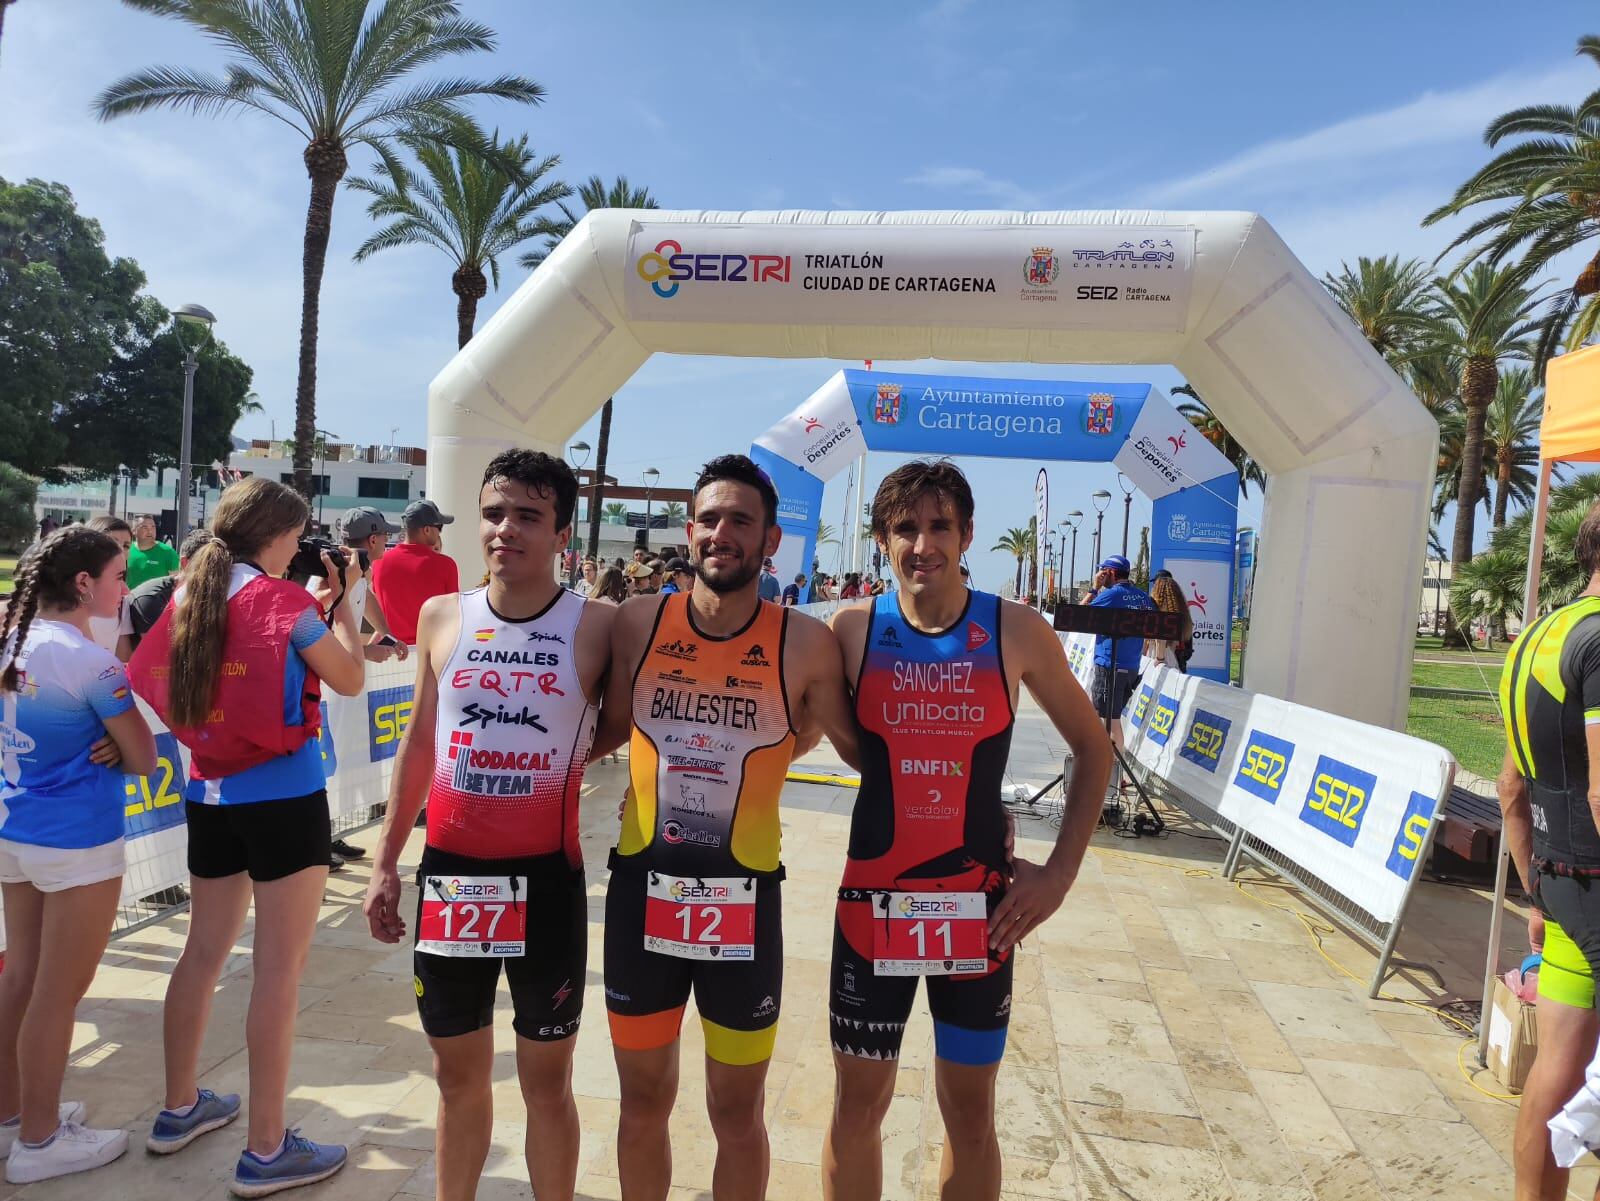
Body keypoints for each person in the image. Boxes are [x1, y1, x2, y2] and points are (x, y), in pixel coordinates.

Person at [822, 461, 1112, 1201]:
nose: (923, 544)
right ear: (883, 540)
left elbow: (1093, 748)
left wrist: (1059, 874)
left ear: (968, 534)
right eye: (905, 528)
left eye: (939, 526)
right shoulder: (852, 628)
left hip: (979, 915)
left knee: (970, 1117)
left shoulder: (1014, 628)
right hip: (872, 909)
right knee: (857, 1108)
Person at [591, 454, 860, 1201]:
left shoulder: (806, 642)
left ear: (771, 539)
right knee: (642, 1102)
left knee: (735, 1112)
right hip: (642, 892)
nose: (722, 533)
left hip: (744, 904)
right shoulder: (638, 622)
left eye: (741, 520)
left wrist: (972, 803)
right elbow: (603, 727)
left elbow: (856, 749)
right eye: (709, 518)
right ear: (689, 529)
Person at [362, 450, 609, 1201]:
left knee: (547, 1084)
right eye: (495, 513)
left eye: (528, 516)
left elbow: (625, 723)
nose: (505, 529)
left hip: (547, 881)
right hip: (453, 875)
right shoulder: (444, 616)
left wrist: (569, 754)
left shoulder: (598, 626)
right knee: (457, 1079)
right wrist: (383, 861)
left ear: (561, 531)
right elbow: (420, 746)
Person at [128, 477, 366, 1195]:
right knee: (277, 970)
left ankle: (178, 1108)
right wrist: (346, 600)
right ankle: (266, 1148)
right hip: (284, 796)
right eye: (295, 534)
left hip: (209, 791)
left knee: (202, 951)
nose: (300, 545)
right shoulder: (283, 600)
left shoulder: (188, 594)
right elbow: (351, 676)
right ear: (273, 533)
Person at [0, 527, 157, 1183]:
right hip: (76, 841)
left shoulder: (12, 639)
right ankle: (38, 1143)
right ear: (84, 582)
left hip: (15, 831)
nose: (126, 588)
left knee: (21, 978)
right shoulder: (89, 662)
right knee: (56, 994)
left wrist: (108, 743)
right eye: (119, 575)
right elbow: (144, 757)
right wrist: (115, 746)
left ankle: (15, 1115)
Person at [1498, 503, 1600, 1201]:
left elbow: (1509, 787)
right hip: (1596, 880)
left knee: (1559, 1067)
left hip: (1560, 884)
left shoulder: (1538, 631)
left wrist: (1535, 886)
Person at [1087, 555, 1155, 773]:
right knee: (1111, 717)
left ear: (1111, 573)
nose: (1100, 575)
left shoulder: (1111, 595)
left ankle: (1116, 773)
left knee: (1110, 719)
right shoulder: (1143, 598)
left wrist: (1094, 588)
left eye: (1103, 571)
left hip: (1109, 664)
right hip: (1132, 665)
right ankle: (1109, 769)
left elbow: (1079, 614)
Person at [316, 507, 406, 666]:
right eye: (386, 535)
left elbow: (366, 599)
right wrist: (365, 651)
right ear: (373, 540)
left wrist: (390, 636)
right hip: (325, 679)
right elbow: (312, 621)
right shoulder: (333, 571)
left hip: (338, 671)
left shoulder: (359, 571)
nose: (387, 540)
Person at [369, 499, 460, 647]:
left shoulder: (379, 562)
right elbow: (452, 616)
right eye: (439, 527)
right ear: (427, 530)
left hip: (392, 650)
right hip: (432, 650)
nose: (439, 532)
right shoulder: (446, 565)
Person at [126, 529, 217, 652]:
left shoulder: (212, 596)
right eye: (210, 564)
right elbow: (159, 655)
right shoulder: (151, 598)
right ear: (185, 563)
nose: (218, 572)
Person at [84, 517, 134, 656]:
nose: (120, 550)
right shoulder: (62, 591)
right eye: (112, 543)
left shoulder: (122, 598)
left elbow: (123, 656)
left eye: (126, 546)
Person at [1145, 574, 1193, 670]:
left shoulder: (1156, 614)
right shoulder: (1181, 615)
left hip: (1155, 659)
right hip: (1172, 659)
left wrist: (1159, 659)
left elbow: (1158, 641)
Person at [126, 515, 179, 591]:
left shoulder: (168, 552)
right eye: (145, 527)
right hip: (129, 600)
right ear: (134, 531)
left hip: (159, 602)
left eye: (153, 527)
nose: (150, 531)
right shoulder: (126, 550)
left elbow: (177, 583)